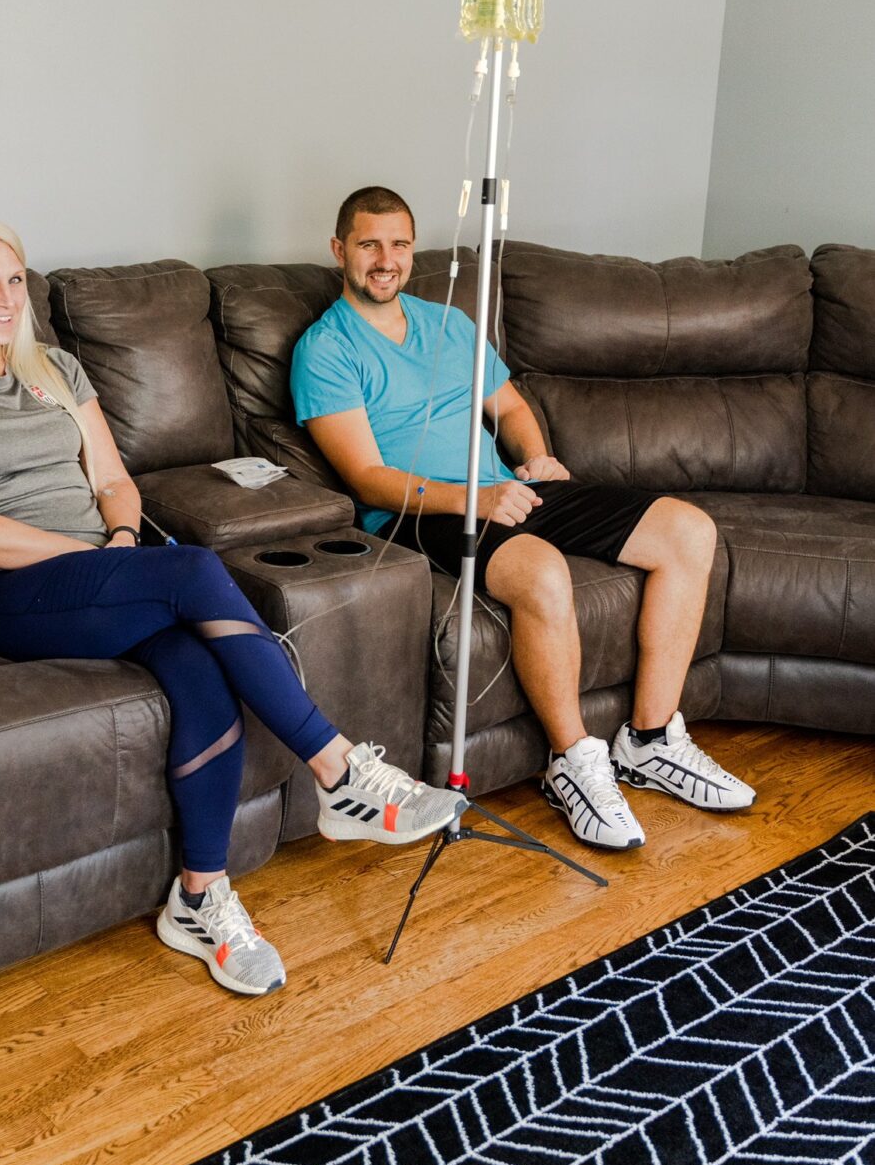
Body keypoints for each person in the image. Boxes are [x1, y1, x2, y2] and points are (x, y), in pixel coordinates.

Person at [0, 211, 466, 997]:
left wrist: (120, 538)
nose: (7, 297)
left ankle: (200, 898)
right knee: (190, 570)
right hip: (6, 591)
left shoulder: (54, 371)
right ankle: (341, 770)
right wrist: (95, 558)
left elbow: (117, 479)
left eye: (16, 279)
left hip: (103, 572)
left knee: (201, 671)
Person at [290, 186, 755, 853]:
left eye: (399, 244)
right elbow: (368, 477)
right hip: (420, 510)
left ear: (413, 251)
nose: (385, 260)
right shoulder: (326, 349)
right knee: (541, 569)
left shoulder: (449, 325)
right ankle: (574, 761)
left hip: (505, 489)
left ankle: (650, 740)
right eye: (369, 244)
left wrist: (535, 458)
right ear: (340, 250)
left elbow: (507, 408)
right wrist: (472, 500)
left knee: (689, 530)